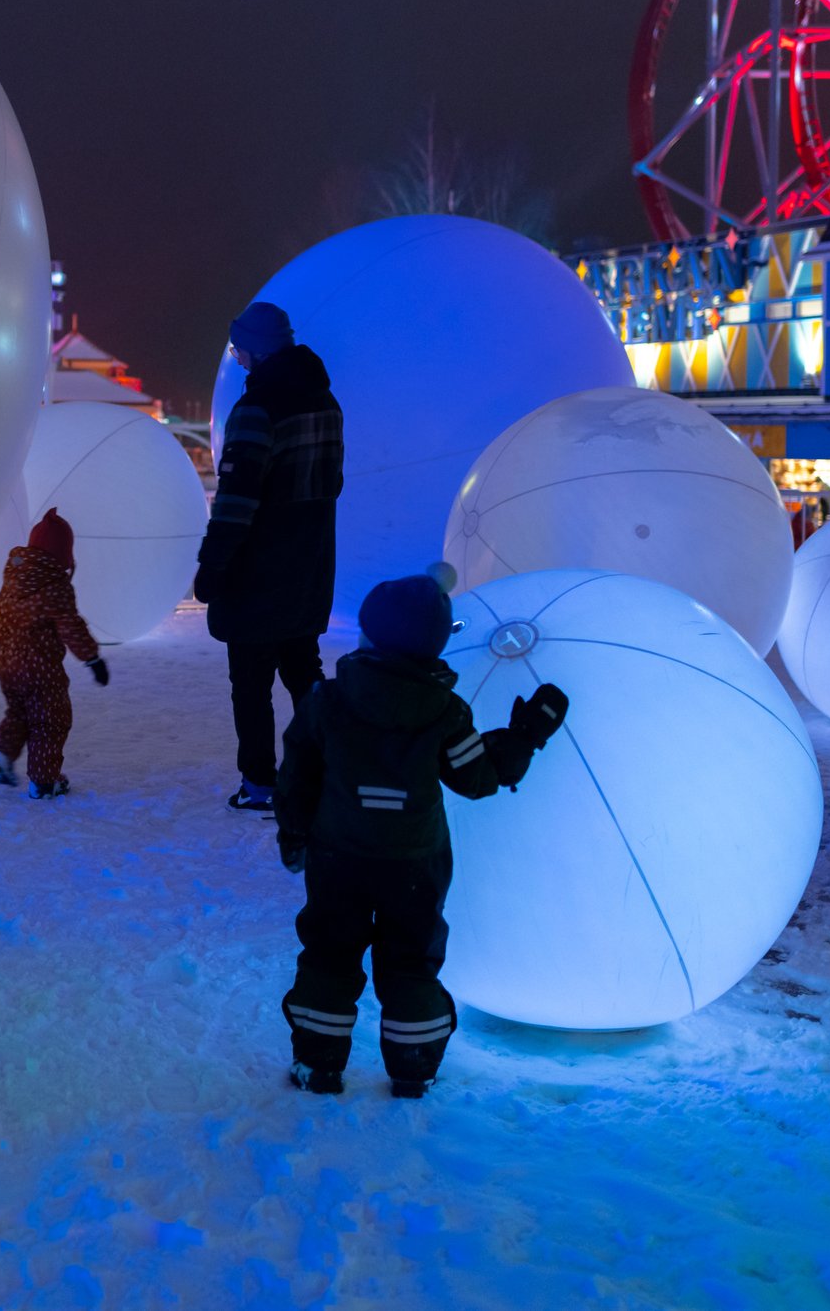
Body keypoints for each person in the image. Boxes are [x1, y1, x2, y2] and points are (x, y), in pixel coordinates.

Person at [273, 574, 567, 1098]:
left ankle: (318, 1064)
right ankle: (413, 1068)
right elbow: (475, 779)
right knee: (411, 960)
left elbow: (298, 774)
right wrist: (524, 738)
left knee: (329, 954)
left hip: (337, 855)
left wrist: (294, 834)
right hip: (415, 863)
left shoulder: (327, 701)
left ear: (367, 636)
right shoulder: (444, 712)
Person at [195, 300, 343, 812]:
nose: (235, 357)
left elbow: (236, 500)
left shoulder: (257, 410)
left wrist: (212, 566)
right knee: (304, 670)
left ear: (255, 349)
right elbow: (330, 484)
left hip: (259, 570)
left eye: (237, 348)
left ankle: (260, 782)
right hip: (309, 564)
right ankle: (325, 772)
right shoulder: (325, 402)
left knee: (251, 684)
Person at [0, 508, 109, 799]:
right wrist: (92, 658)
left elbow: (3, 613)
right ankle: (44, 781)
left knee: (19, 712)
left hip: (8, 661)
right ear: (63, 553)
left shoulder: (15, 576)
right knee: (49, 721)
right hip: (40, 669)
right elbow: (70, 626)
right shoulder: (55, 585)